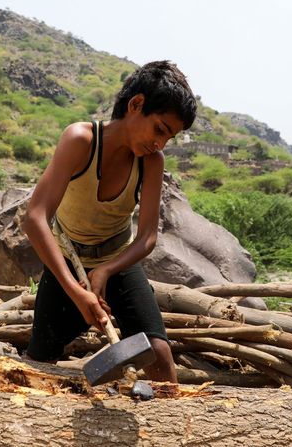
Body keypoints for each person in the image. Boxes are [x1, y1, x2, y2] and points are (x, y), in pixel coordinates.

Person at [21, 61, 197, 382]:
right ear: (135, 105)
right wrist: (76, 290)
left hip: (117, 263)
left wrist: (105, 270)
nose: (160, 144)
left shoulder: (151, 162)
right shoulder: (80, 140)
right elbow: (34, 218)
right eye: (159, 129)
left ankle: (167, 426)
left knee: (159, 356)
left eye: (169, 137)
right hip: (68, 262)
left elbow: (146, 239)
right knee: (38, 361)